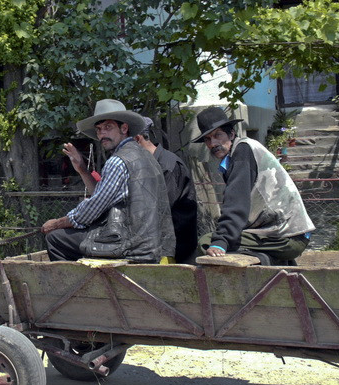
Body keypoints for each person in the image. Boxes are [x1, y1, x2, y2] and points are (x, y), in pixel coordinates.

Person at [41, 99, 175, 263]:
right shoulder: (146, 156)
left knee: (55, 238)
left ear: (124, 128)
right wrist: (82, 168)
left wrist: (57, 223)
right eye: (98, 129)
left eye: (108, 127)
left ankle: (80, 286)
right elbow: (103, 197)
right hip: (155, 244)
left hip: (130, 245)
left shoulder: (118, 161)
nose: (102, 134)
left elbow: (91, 210)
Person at [193, 106, 314, 265]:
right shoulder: (240, 151)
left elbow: (236, 202)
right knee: (225, 238)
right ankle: (276, 261)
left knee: (206, 242)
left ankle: (271, 261)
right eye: (208, 139)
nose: (213, 143)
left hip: (286, 235)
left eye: (218, 135)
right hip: (284, 233)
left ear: (231, 133)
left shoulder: (243, 151)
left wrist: (221, 241)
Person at [135, 118, 198, 263]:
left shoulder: (167, 166)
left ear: (137, 139)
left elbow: (159, 213)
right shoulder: (146, 164)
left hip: (175, 250)